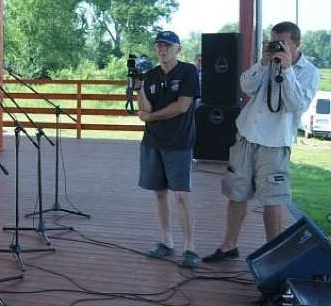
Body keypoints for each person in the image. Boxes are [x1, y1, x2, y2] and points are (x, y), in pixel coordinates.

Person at [203, 22, 319, 263]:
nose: (277, 47)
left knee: (273, 199)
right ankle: (228, 245)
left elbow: (298, 105)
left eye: (282, 43)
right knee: (236, 192)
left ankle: (273, 254)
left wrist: (286, 70)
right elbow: (246, 86)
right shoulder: (268, 62)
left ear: (296, 44)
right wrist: (263, 62)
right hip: (246, 135)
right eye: (273, 42)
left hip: (275, 142)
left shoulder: (309, 71)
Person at [136, 31, 200, 268]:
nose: (162, 50)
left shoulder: (188, 71)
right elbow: (144, 108)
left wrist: (150, 116)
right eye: (159, 46)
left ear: (178, 49)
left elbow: (182, 106)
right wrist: (139, 89)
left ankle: (190, 248)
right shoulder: (150, 75)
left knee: (182, 195)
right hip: (153, 142)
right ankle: (166, 241)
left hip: (179, 142)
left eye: (168, 46)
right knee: (159, 193)